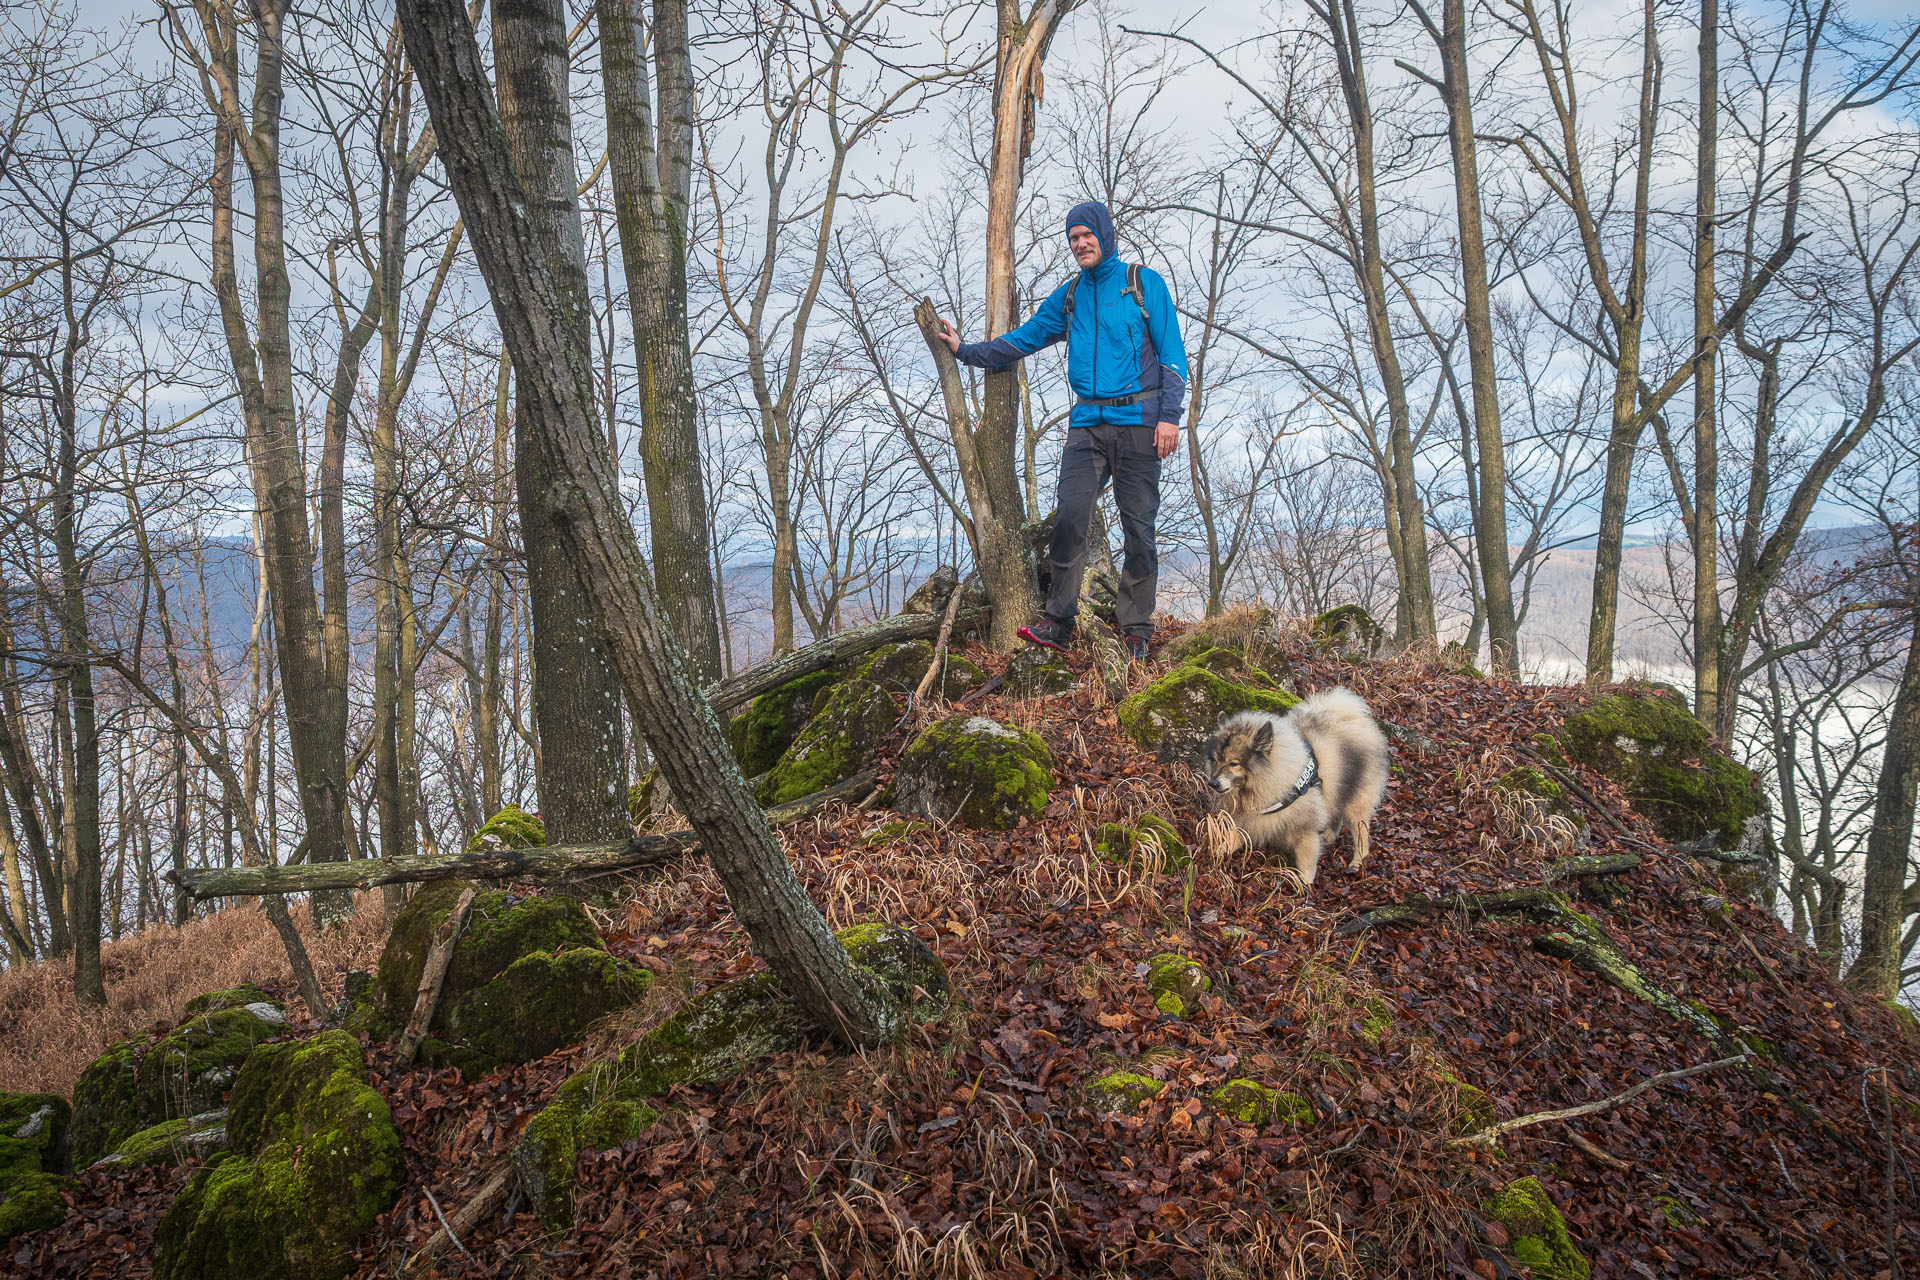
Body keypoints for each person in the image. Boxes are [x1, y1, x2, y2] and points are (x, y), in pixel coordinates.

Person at [936, 200, 1188, 661]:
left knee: (1139, 528)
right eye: (1073, 238)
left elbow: (1172, 356)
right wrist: (965, 350)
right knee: (1071, 515)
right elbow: (1025, 337)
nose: (1079, 244)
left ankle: (1136, 628)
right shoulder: (1070, 295)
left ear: (1104, 235)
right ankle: (1058, 620)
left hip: (1139, 423)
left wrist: (1170, 417)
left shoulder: (1141, 284)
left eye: (1086, 235)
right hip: (1087, 424)